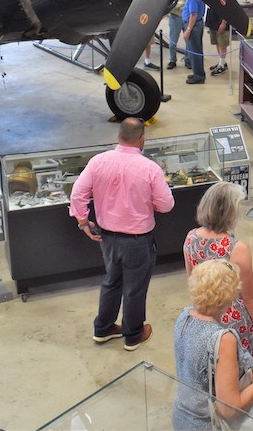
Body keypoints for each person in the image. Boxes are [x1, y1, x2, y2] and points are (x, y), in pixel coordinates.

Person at [70, 118, 175, 351]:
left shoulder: (98, 161)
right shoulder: (150, 168)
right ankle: (133, 334)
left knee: (111, 280)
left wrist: (83, 222)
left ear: (119, 136)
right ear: (141, 139)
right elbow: (166, 205)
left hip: (107, 238)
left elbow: (77, 194)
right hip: (138, 241)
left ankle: (104, 328)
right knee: (135, 288)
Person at [172, 259, 253, 430]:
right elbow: (228, 408)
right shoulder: (223, 339)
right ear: (231, 295)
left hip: (182, 418)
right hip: (209, 425)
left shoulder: (184, 317)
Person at [183, 183, 253, 362]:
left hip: (204, 316)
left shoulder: (191, 237)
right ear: (230, 212)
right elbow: (250, 298)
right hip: (233, 322)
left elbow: (192, 282)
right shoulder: (236, 249)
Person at [205, 0, 231, 76]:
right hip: (213, 18)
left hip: (221, 20)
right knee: (216, 41)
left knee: (222, 42)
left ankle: (222, 65)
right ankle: (221, 62)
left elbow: (227, 7)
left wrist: (224, 22)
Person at [181, 0, 207, 84]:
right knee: (196, 50)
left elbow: (193, 14)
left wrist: (188, 30)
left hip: (193, 25)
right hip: (197, 24)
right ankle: (198, 73)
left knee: (194, 51)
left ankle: (199, 76)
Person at [165, 0, 191, 69]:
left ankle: (188, 59)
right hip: (175, 17)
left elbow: (189, 3)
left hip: (186, 18)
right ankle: (172, 60)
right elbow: (170, 4)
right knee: (172, 41)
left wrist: (180, 4)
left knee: (188, 41)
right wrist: (181, 4)